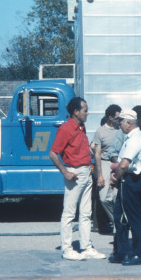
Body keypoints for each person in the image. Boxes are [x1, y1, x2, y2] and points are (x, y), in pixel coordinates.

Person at [49, 97, 106, 261]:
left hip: (87, 172)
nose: (87, 113)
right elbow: (53, 153)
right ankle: (67, 250)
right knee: (68, 214)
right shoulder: (66, 129)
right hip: (75, 174)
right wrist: (65, 172)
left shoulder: (81, 127)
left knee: (86, 213)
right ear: (75, 112)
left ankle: (86, 247)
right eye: (85, 110)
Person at [108, 109, 141, 266]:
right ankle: (122, 251)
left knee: (134, 218)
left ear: (129, 123)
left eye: (121, 121)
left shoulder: (134, 139)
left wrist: (115, 178)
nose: (120, 124)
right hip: (127, 180)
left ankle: (139, 254)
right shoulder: (132, 137)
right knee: (120, 217)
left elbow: (124, 164)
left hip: (131, 180)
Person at [108, 105, 141, 222]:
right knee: (125, 211)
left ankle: (140, 237)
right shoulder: (123, 133)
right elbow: (112, 153)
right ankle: (122, 238)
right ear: (137, 119)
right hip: (129, 176)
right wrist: (122, 165)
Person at [92, 104, 122, 231]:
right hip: (105, 163)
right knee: (104, 198)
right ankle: (116, 221)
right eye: (117, 118)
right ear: (110, 118)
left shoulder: (121, 131)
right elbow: (97, 154)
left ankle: (119, 226)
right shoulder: (100, 132)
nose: (120, 121)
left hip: (119, 163)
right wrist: (99, 175)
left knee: (116, 196)